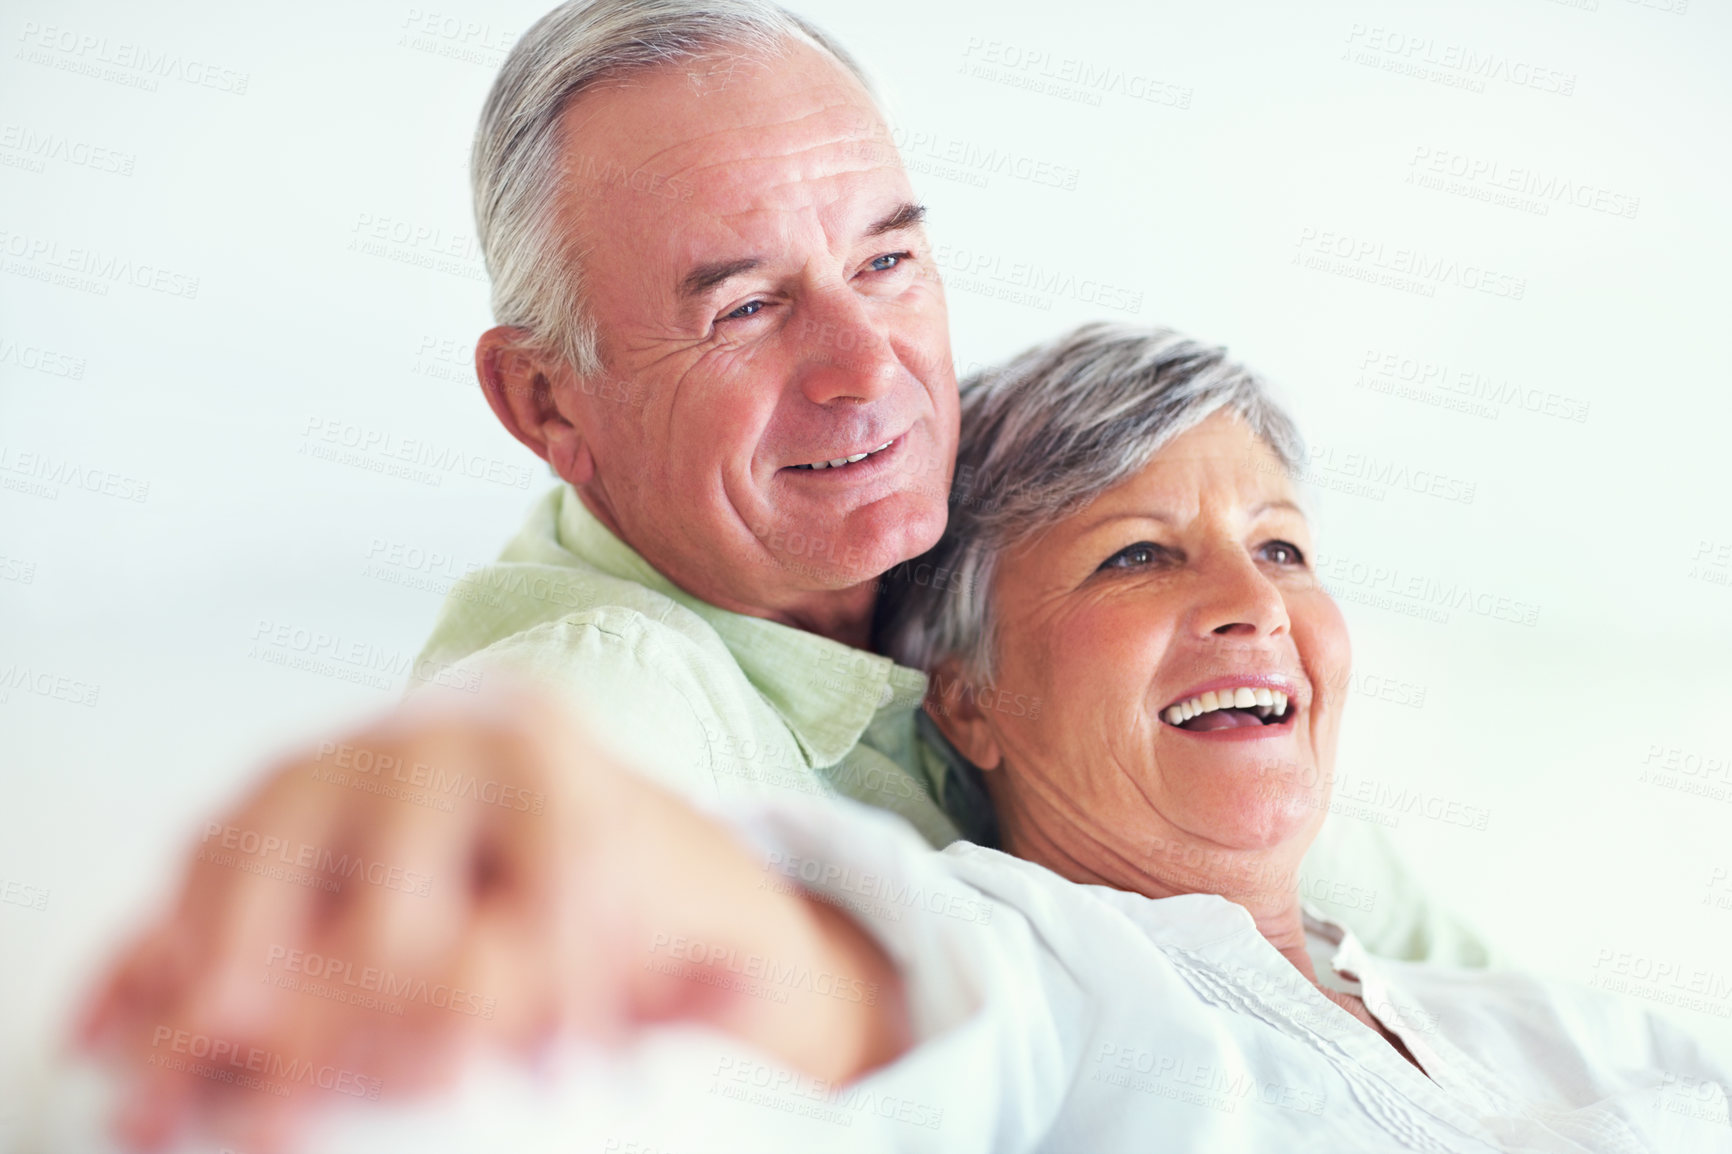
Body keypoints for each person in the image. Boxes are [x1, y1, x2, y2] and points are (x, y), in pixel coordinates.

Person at [75, 2, 1483, 1146]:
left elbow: (1438, 986)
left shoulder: (1026, 580)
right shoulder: (595, 689)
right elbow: (506, 840)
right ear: (550, 403)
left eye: (886, 260)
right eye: (745, 308)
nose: (868, 373)